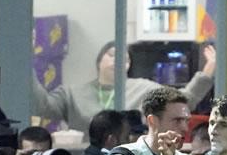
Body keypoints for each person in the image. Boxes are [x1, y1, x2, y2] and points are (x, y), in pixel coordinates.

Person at [31, 41, 216, 137]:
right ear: (99, 61)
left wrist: (208, 69)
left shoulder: (144, 89)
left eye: (125, 58)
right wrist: (27, 64)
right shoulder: (72, 93)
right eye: (111, 55)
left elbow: (183, 101)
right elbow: (43, 107)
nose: (118, 61)